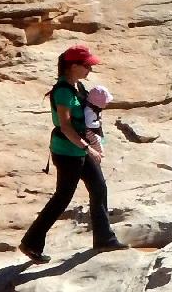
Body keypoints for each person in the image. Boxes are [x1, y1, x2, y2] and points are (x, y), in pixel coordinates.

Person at [19, 45, 122, 262]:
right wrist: (88, 148)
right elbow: (65, 126)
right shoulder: (63, 92)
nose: (89, 69)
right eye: (86, 66)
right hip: (67, 152)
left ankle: (104, 239)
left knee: (99, 188)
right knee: (62, 198)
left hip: (80, 148)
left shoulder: (78, 86)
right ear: (73, 66)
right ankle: (31, 243)